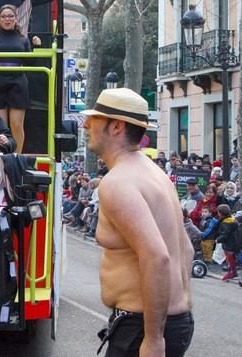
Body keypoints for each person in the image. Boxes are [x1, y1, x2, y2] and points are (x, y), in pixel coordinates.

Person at [80, 88, 193, 356]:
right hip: (161, 322)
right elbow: (186, 249)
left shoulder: (118, 182)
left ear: (116, 127)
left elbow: (157, 257)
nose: (85, 125)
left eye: (94, 119)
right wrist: (177, 308)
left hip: (142, 327)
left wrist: (154, 338)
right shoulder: (155, 173)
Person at [0, 3, 40, 153]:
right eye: (3, 16)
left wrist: (37, 47)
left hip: (17, 82)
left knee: (17, 125)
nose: (7, 19)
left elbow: (30, 62)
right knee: (0, 126)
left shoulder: (23, 39)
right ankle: (2, 155)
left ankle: (17, 156)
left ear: (16, 18)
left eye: (10, 16)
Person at [217, 204, 240, 281]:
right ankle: (232, 271)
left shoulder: (225, 223)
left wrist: (219, 239)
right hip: (233, 242)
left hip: (228, 243)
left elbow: (225, 235)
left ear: (220, 213)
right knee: (231, 257)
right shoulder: (233, 221)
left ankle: (231, 272)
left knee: (230, 259)